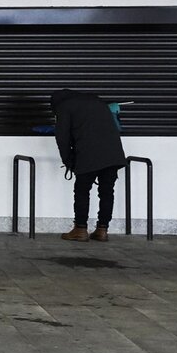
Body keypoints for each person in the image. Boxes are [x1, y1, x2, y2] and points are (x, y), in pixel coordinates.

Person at [51, 89, 127, 242]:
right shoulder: (98, 102)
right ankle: (102, 230)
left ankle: (80, 229)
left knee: (82, 191)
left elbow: (62, 137)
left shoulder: (64, 107)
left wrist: (68, 161)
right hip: (113, 153)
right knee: (106, 192)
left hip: (88, 154)